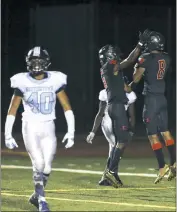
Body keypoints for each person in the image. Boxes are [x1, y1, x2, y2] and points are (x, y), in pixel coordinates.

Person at [4, 46, 75, 211]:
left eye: (39, 61)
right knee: (39, 163)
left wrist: (71, 132)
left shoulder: (55, 80)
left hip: (48, 126)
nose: (36, 64)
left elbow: (67, 107)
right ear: (28, 62)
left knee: (47, 167)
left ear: (47, 62)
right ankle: (42, 200)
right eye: (33, 61)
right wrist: (8, 134)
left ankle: (36, 195)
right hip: (30, 126)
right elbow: (13, 109)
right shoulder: (21, 81)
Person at [97, 29, 151, 188]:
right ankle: (111, 172)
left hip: (114, 106)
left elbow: (126, 88)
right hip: (118, 106)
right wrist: (140, 45)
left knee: (118, 142)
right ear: (107, 57)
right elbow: (129, 60)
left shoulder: (109, 71)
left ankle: (108, 175)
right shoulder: (110, 66)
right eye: (112, 53)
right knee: (122, 140)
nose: (115, 55)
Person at [127, 31, 176, 184]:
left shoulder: (146, 58)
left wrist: (137, 67)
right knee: (166, 132)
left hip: (152, 100)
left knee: (153, 135)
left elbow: (136, 78)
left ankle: (162, 167)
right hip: (162, 98)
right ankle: (174, 162)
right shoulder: (167, 57)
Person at [86, 85, 137, 186]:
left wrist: (131, 130)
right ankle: (111, 174)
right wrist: (93, 131)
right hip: (108, 122)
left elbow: (132, 115)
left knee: (114, 150)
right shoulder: (106, 92)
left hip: (120, 122)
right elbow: (100, 113)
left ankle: (106, 176)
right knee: (117, 146)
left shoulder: (130, 95)